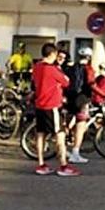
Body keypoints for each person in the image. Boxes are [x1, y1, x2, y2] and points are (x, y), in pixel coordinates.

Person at [32, 42, 79, 176]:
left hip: (39, 104)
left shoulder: (37, 66)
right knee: (60, 134)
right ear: (53, 54)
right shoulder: (52, 69)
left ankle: (41, 164)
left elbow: (35, 82)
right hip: (52, 105)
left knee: (40, 134)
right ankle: (63, 165)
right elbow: (66, 81)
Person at [62, 47, 97, 162]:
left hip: (70, 98)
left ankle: (62, 148)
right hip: (82, 99)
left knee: (67, 124)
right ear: (89, 57)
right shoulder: (88, 69)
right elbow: (92, 84)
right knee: (80, 125)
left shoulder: (72, 67)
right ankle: (75, 152)